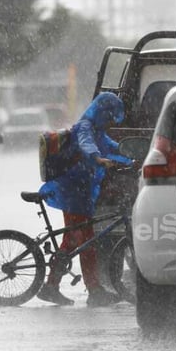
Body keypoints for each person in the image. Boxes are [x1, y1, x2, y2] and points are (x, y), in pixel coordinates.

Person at [36, 92, 131, 307]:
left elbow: (113, 147)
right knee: (86, 241)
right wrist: (97, 158)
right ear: (100, 112)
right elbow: (88, 145)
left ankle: (51, 287)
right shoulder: (85, 127)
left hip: (81, 192)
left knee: (72, 240)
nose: (108, 122)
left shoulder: (97, 130)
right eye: (108, 116)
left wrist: (132, 158)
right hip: (72, 192)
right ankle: (95, 291)